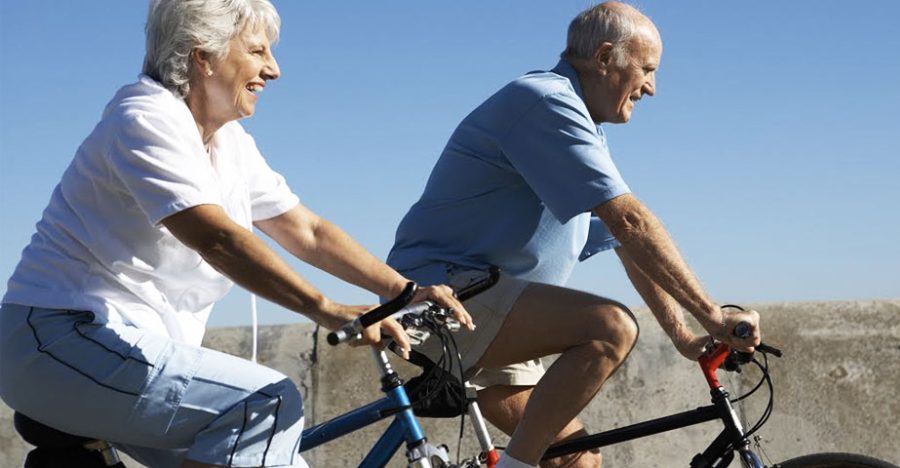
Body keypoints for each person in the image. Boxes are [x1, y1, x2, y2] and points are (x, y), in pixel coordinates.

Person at [0, 1, 469, 467]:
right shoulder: (145, 117)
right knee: (266, 403)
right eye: (258, 51)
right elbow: (216, 238)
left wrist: (403, 291)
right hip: (59, 338)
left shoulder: (230, 144)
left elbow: (306, 229)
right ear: (203, 55)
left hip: (122, 350)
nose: (274, 70)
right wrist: (328, 310)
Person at [386, 3, 762, 468]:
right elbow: (631, 221)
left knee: (577, 461)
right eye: (646, 69)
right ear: (604, 58)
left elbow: (623, 242)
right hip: (443, 294)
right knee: (609, 326)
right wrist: (711, 313)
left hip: (489, 303)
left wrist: (685, 335)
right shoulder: (544, 101)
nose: (652, 87)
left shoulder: (579, 125)